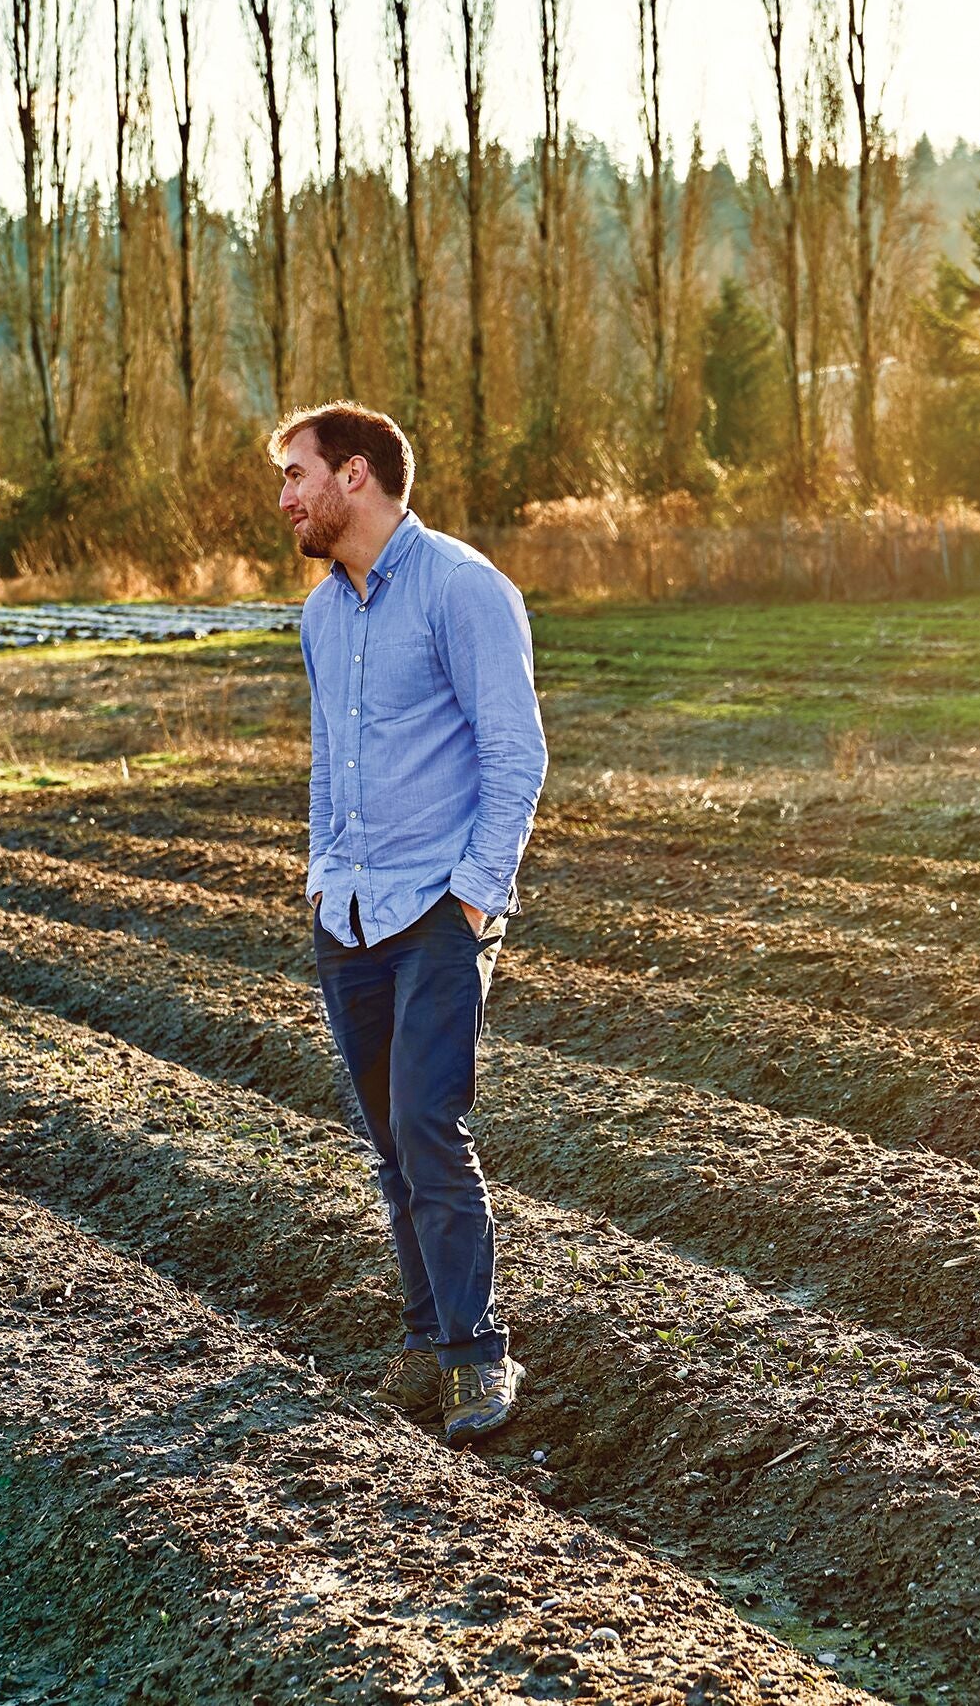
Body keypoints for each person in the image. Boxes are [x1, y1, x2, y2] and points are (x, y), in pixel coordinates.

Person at [272, 400, 549, 1445]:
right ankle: (428, 1335)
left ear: (354, 475)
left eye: (296, 475)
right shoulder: (321, 613)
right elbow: (328, 762)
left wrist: (474, 897)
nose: (286, 498)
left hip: (437, 908)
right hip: (348, 913)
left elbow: (515, 754)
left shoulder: (464, 589)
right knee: (390, 1141)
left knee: (432, 1126)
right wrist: (319, 871)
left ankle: (480, 1353)